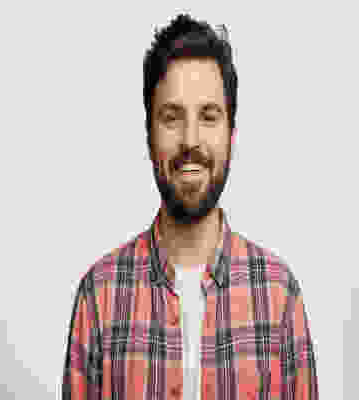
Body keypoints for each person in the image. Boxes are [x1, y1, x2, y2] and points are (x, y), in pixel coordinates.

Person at [62, 13, 319, 400]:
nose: (190, 140)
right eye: (172, 117)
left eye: (209, 116)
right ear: (149, 134)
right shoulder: (99, 297)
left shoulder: (279, 296)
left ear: (231, 133)